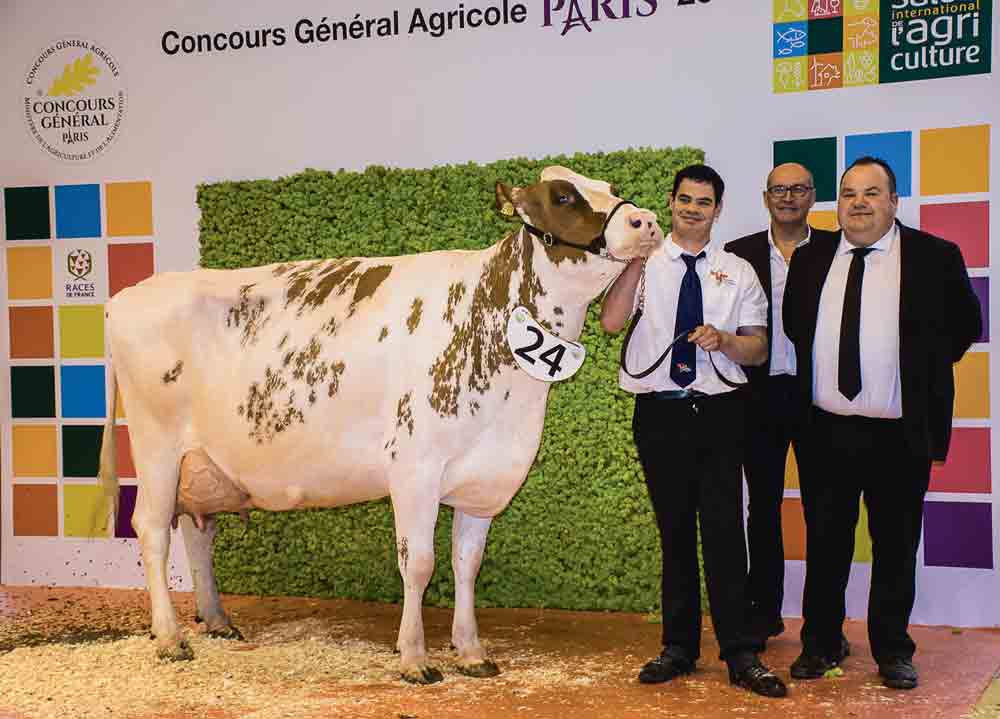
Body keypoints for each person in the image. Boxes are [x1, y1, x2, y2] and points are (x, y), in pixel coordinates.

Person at [783, 156, 981, 690]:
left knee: (894, 547)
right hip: (825, 430)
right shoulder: (811, 257)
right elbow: (797, 327)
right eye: (849, 193)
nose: (860, 203)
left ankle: (893, 650)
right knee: (826, 543)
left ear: (894, 202)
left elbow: (966, 326)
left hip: (900, 433)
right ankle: (821, 644)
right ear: (838, 203)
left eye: (872, 193)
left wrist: (912, 367)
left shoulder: (936, 256)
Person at [601, 163, 786, 698]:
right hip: (660, 412)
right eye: (684, 199)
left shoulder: (738, 271)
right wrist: (636, 261)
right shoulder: (642, 263)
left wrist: (725, 340)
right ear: (671, 201)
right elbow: (612, 322)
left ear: (717, 210)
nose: (692, 209)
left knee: (726, 532)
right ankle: (678, 649)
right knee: (675, 532)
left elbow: (759, 348)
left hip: (722, 412)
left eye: (703, 202)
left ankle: (740, 653)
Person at [724, 163, 838, 650]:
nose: (788, 197)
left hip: (822, 399)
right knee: (763, 511)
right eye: (779, 189)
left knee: (826, 513)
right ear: (765, 196)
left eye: (798, 189)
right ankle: (763, 615)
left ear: (813, 196)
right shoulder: (738, 255)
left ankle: (824, 627)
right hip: (758, 398)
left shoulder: (838, 249)